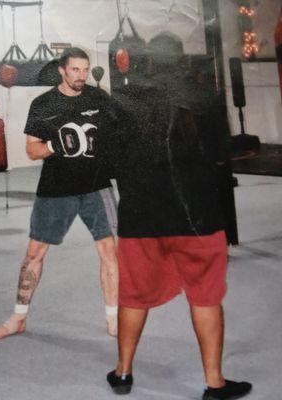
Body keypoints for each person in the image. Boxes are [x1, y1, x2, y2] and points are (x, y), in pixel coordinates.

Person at [104, 48, 252, 400]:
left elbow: (110, 161)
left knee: (133, 296)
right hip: (197, 217)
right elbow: (222, 156)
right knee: (206, 297)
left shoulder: (122, 100)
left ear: (146, 62)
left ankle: (122, 373)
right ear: (182, 61)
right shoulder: (205, 98)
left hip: (141, 217)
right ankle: (214, 383)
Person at [0, 47, 119, 340]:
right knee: (35, 253)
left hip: (96, 185)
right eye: (75, 70)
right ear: (61, 70)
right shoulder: (44, 104)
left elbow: (118, 134)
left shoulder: (99, 97)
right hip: (56, 187)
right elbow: (32, 150)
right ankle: (18, 317)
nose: (81, 76)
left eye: (85, 70)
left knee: (109, 252)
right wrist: (54, 146)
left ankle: (114, 318)